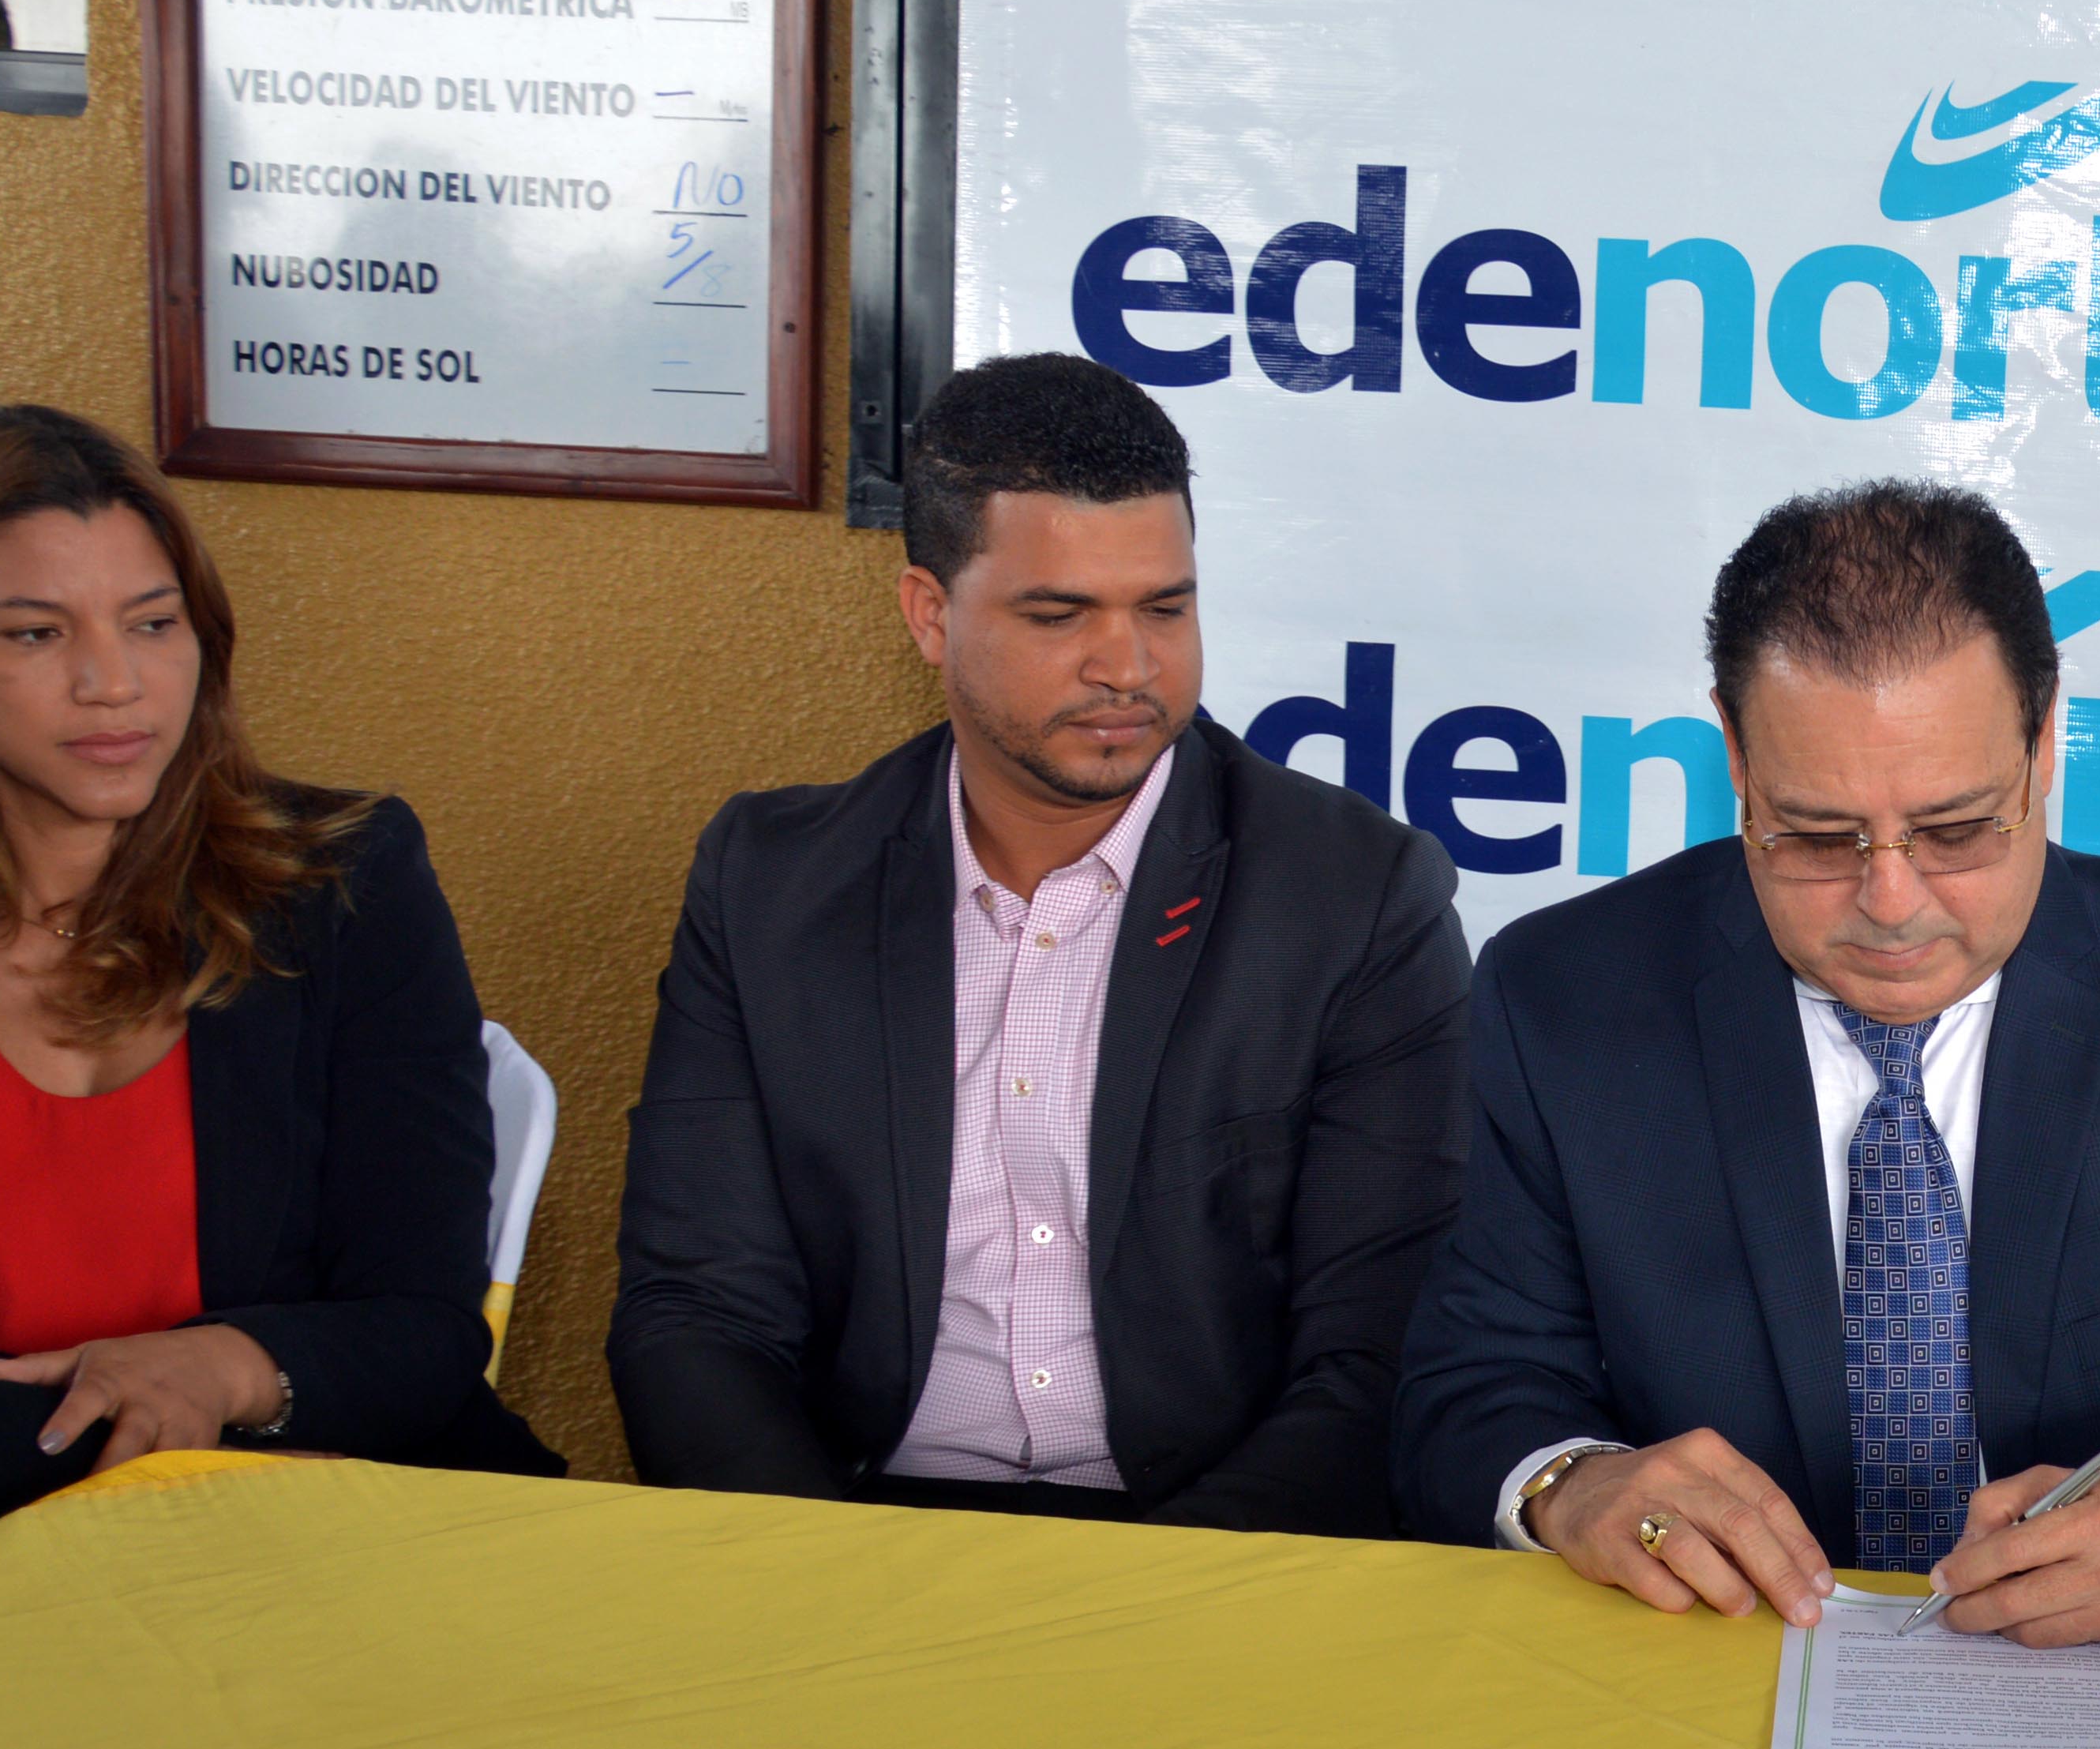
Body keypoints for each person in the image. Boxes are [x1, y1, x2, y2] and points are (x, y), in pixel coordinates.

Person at [1391, 479, 2100, 1642]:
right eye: (1817, 836)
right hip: (1708, 1664)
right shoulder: (1566, 998)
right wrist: (1571, 1484)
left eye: (1954, 830)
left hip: (2093, 1679)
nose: (1891, 901)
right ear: (1736, 760)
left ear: (2043, 745)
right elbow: (1469, 1389)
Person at [609, 355, 1468, 1530]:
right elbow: (697, 1315)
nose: (1128, 667)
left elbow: (1382, 1356)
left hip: (1212, 1548)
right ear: (929, 615)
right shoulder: (772, 883)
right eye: (1060, 616)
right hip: (849, 1529)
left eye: (1164, 608)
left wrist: (1133, 1608)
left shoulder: (1353, 896)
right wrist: (823, 1584)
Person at [0, 406, 554, 1595]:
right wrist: (121, 1461)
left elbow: (422, 1323)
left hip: (334, 1523)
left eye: (153, 624)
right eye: (36, 632)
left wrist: (227, 1374)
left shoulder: (343, 882)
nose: (113, 683)